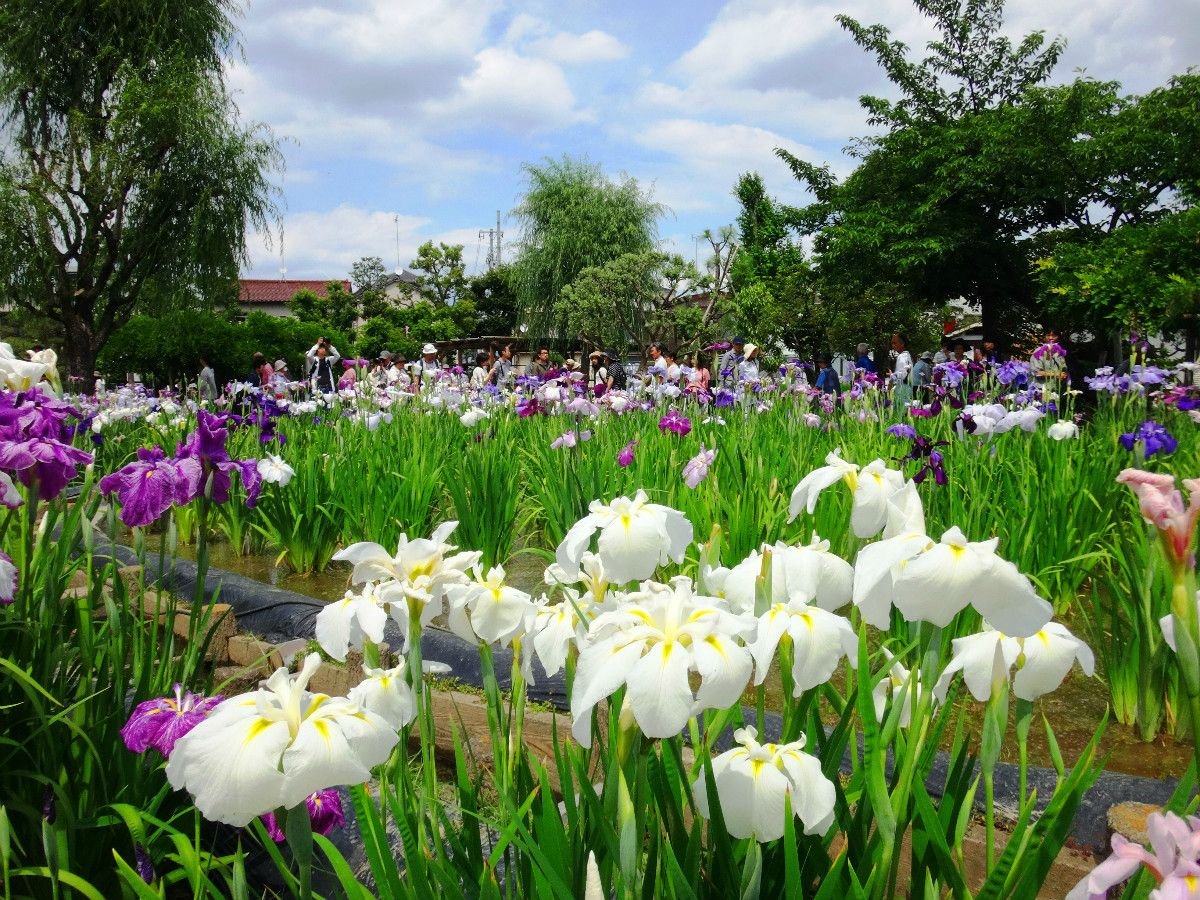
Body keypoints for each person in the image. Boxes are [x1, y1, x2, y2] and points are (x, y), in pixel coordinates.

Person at [891, 334, 914, 404]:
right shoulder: (907, 355)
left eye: (895, 343)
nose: (893, 345)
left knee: (901, 409)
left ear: (902, 344)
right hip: (907, 388)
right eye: (892, 343)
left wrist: (892, 376)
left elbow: (902, 374)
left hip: (902, 389)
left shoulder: (902, 356)